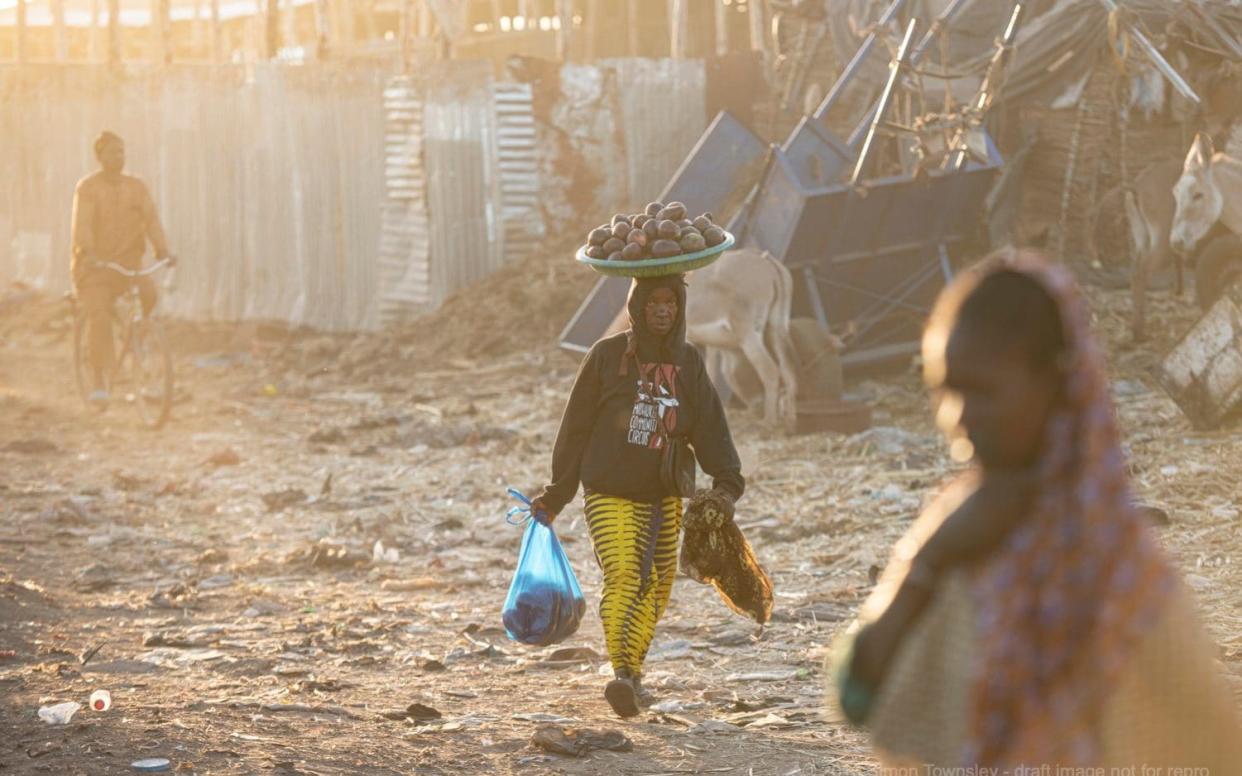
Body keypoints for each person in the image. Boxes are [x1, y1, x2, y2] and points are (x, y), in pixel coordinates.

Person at [831, 247, 1242, 770]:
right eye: (946, 391)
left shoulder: (1115, 561)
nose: (958, 418)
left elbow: (1221, 741)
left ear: (1056, 382)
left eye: (983, 391)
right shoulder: (960, 526)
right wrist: (929, 558)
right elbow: (857, 695)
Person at [531, 274, 745, 719]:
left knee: (657, 589)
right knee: (626, 575)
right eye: (653, 303)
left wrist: (726, 482)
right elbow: (575, 429)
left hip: (665, 494)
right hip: (609, 491)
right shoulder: (606, 356)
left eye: (671, 302)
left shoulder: (688, 361)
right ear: (637, 307)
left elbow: (709, 424)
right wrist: (557, 492)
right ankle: (622, 674)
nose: (663, 311)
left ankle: (634, 676)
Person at [71, 131, 175, 405]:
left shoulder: (136, 187)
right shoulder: (88, 187)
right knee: (99, 317)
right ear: (100, 156)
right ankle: (98, 380)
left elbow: (151, 220)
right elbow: (81, 226)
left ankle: (139, 346)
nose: (118, 157)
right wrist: (89, 254)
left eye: (121, 152)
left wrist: (162, 249)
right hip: (95, 267)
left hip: (128, 263)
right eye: (111, 152)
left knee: (149, 294)